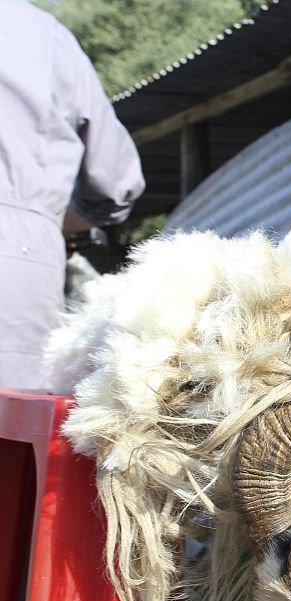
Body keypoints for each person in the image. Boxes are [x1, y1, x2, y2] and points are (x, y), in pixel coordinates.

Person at [0, 0, 145, 390]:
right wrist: (47, 220)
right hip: (19, 266)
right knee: (13, 434)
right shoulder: (37, 32)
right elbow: (115, 183)